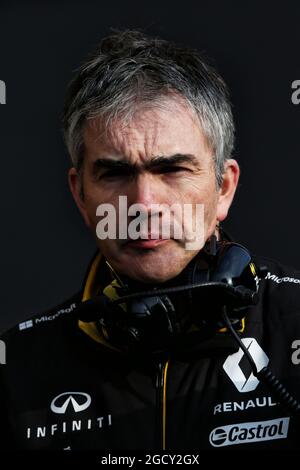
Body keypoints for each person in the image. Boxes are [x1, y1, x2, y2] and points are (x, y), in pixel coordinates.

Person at [1, 29, 300, 451]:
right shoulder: (15, 369)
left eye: (173, 170)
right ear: (80, 195)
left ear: (224, 189)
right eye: (115, 173)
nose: (143, 204)